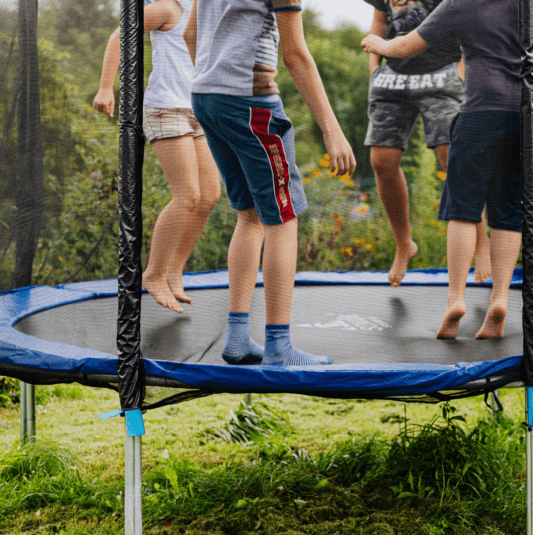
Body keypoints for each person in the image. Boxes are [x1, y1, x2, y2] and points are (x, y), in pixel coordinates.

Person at [362, 0, 533, 340]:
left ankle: (456, 299)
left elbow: (406, 46)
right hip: (529, 112)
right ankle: (501, 298)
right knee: (508, 210)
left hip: (481, 109)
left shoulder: (459, 3)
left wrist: (378, 45)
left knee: (462, 208)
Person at [183, 0, 356, 366]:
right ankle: (279, 346)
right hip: (250, 103)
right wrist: (333, 130)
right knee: (283, 216)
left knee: (249, 215)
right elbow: (295, 55)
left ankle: (237, 339)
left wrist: (215, 77)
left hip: (205, 96)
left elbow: (190, 33)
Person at [94, 0, 221, 314]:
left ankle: (175, 270)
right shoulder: (168, 8)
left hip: (198, 110)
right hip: (165, 108)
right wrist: (106, 88)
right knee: (187, 196)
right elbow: (119, 36)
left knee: (209, 197)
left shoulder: (206, 9)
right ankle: (152, 274)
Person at [364, 0, 492, 287]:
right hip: (393, 78)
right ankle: (404, 244)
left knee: (453, 157)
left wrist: (461, 70)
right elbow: (379, 21)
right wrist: (374, 69)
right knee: (382, 162)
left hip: (441, 74)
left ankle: (482, 243)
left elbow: (467, 22)